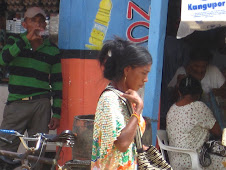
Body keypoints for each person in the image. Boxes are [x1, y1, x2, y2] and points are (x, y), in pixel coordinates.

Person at [0, 6, 62, 168]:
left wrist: (56, 112)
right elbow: (3, 59)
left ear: (45, 26)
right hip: (16, 105)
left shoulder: (52, 50)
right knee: (5, 148)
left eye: (41, 21)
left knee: (38, 152)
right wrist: (26, 39)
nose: (38, 24)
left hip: (41, 105)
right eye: (33, 21)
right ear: (24, 24)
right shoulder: (14, 42)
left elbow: (57, 82)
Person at [91, 37, 152, 169]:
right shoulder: (109, 100)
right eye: (143, 73)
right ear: (127, 70)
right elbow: (122, 144)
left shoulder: (126, 98)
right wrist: (139, 109)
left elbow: (128, 142)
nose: (146, 79)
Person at [166, 76, 225, 170]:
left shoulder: (172, 109)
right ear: (198, 94)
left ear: (179, 92)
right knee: (224, 162)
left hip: (174, 161)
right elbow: (218, 131)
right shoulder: (199, 106)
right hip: (193, 160)